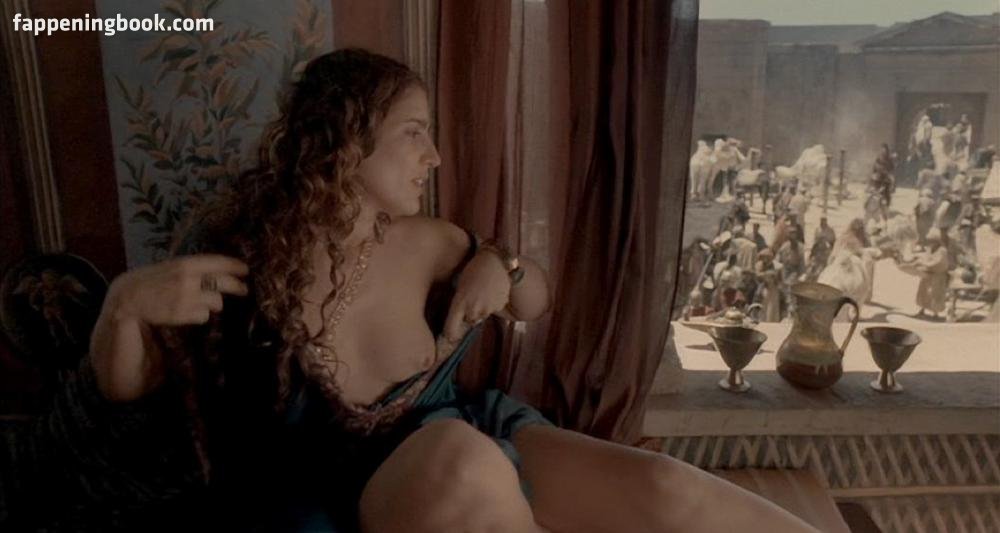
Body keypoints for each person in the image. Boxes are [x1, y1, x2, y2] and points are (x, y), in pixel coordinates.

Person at [51, 49, 815, 532]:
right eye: (413, 130)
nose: (436, 154)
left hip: (468, 429)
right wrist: (122, 308)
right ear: (345, 141)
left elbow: (536, 303)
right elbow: (133, 397)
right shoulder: (242, 253)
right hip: (341, 485)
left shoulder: (437, 242)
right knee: (462, 462)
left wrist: (505, 266)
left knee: (666, 487)